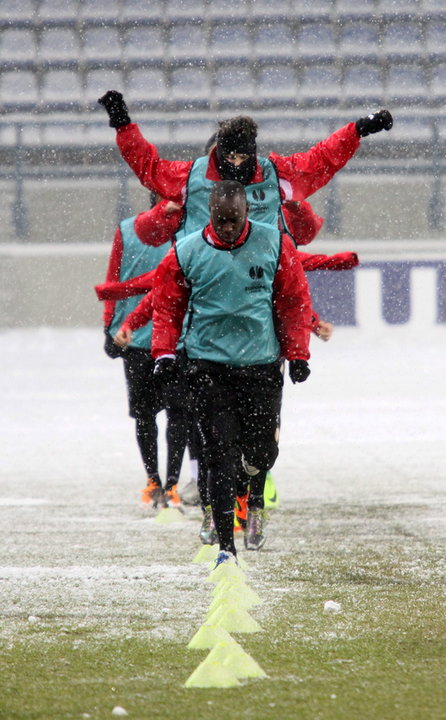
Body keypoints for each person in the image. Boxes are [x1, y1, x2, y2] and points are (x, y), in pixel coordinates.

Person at [150, 180, 313, 564]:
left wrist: (299, 353)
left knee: (262, 452)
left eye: (233, 220)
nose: (226, 227)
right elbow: (168, 306)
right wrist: (163, 353)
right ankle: (226, 545)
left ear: (247, 213)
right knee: (217, 455)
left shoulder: (274, 244)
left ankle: (248, 488)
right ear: (209, 214)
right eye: (220, 221)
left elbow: (294, 300)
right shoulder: (186, 252)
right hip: (208, 367)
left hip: (261, 366)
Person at [97, 90, 393, 242]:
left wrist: (357, 130)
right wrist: (123, 125)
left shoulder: (276, 175)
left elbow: (321, 160)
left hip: (258, 280)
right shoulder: (192, 176)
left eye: (243, 157)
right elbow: (148, 167)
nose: (236, 164)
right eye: (229, 157)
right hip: (204, 280)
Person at [102, 192, 192, 509]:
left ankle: (170, 484)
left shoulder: (191, 233)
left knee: (177, 415)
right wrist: (111, 328)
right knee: (148, 416)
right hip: (141, 340)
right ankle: (156, 481)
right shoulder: (128, 231)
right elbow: (115, 278)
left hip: (177, 342)